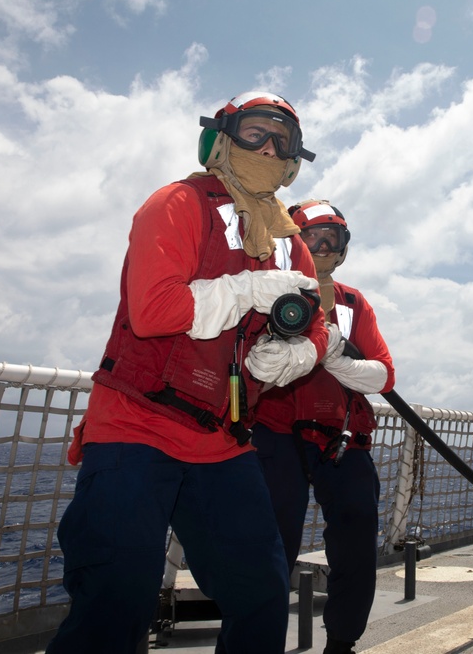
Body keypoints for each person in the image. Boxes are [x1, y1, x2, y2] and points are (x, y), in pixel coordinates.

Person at [47, 92, 331, 654]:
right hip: (136, 424)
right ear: (221, 137)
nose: (269, 148)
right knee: (115, 602)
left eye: (284, 141)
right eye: (256, 133)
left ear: (297, 160)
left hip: (222, 441)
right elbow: (152, 311)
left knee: (263, 595)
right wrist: (243, 290)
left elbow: (315, 322)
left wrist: (298, 355)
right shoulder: (176, 204)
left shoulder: (290, 246)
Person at [253, 199, 396, 654]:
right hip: (276, 430)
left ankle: (342, 643)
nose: (324, 247)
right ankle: (259, 642)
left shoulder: (353, 303)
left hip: (342, 439)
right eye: (314, 236)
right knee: (273, 542)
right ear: (292, 237)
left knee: (356, 535)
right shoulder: (265, 289)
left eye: (333, 239)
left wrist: (333, 354)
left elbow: (385, 374)